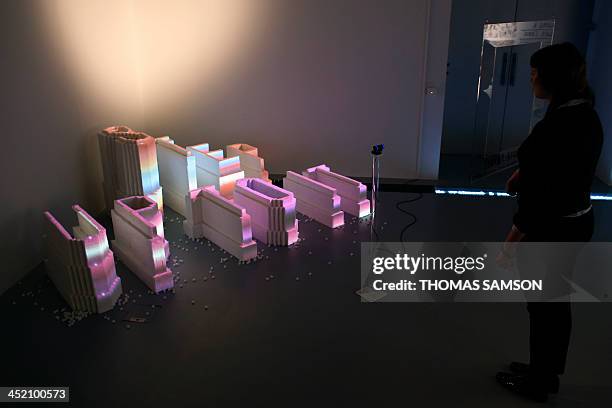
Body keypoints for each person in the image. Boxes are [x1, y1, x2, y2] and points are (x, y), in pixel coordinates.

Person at [495, 42, 603, 402]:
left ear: (552, 76)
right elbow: (555, 169)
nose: (531, 79)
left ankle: (540, 382)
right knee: (550, 303)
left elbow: (546, 197)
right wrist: (523, 174)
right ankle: (543, 369)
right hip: (574, 221)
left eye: (535, 72)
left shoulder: (565, 123)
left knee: (547, 306)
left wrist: (512, 239)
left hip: (554, 227)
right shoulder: (580, 112)